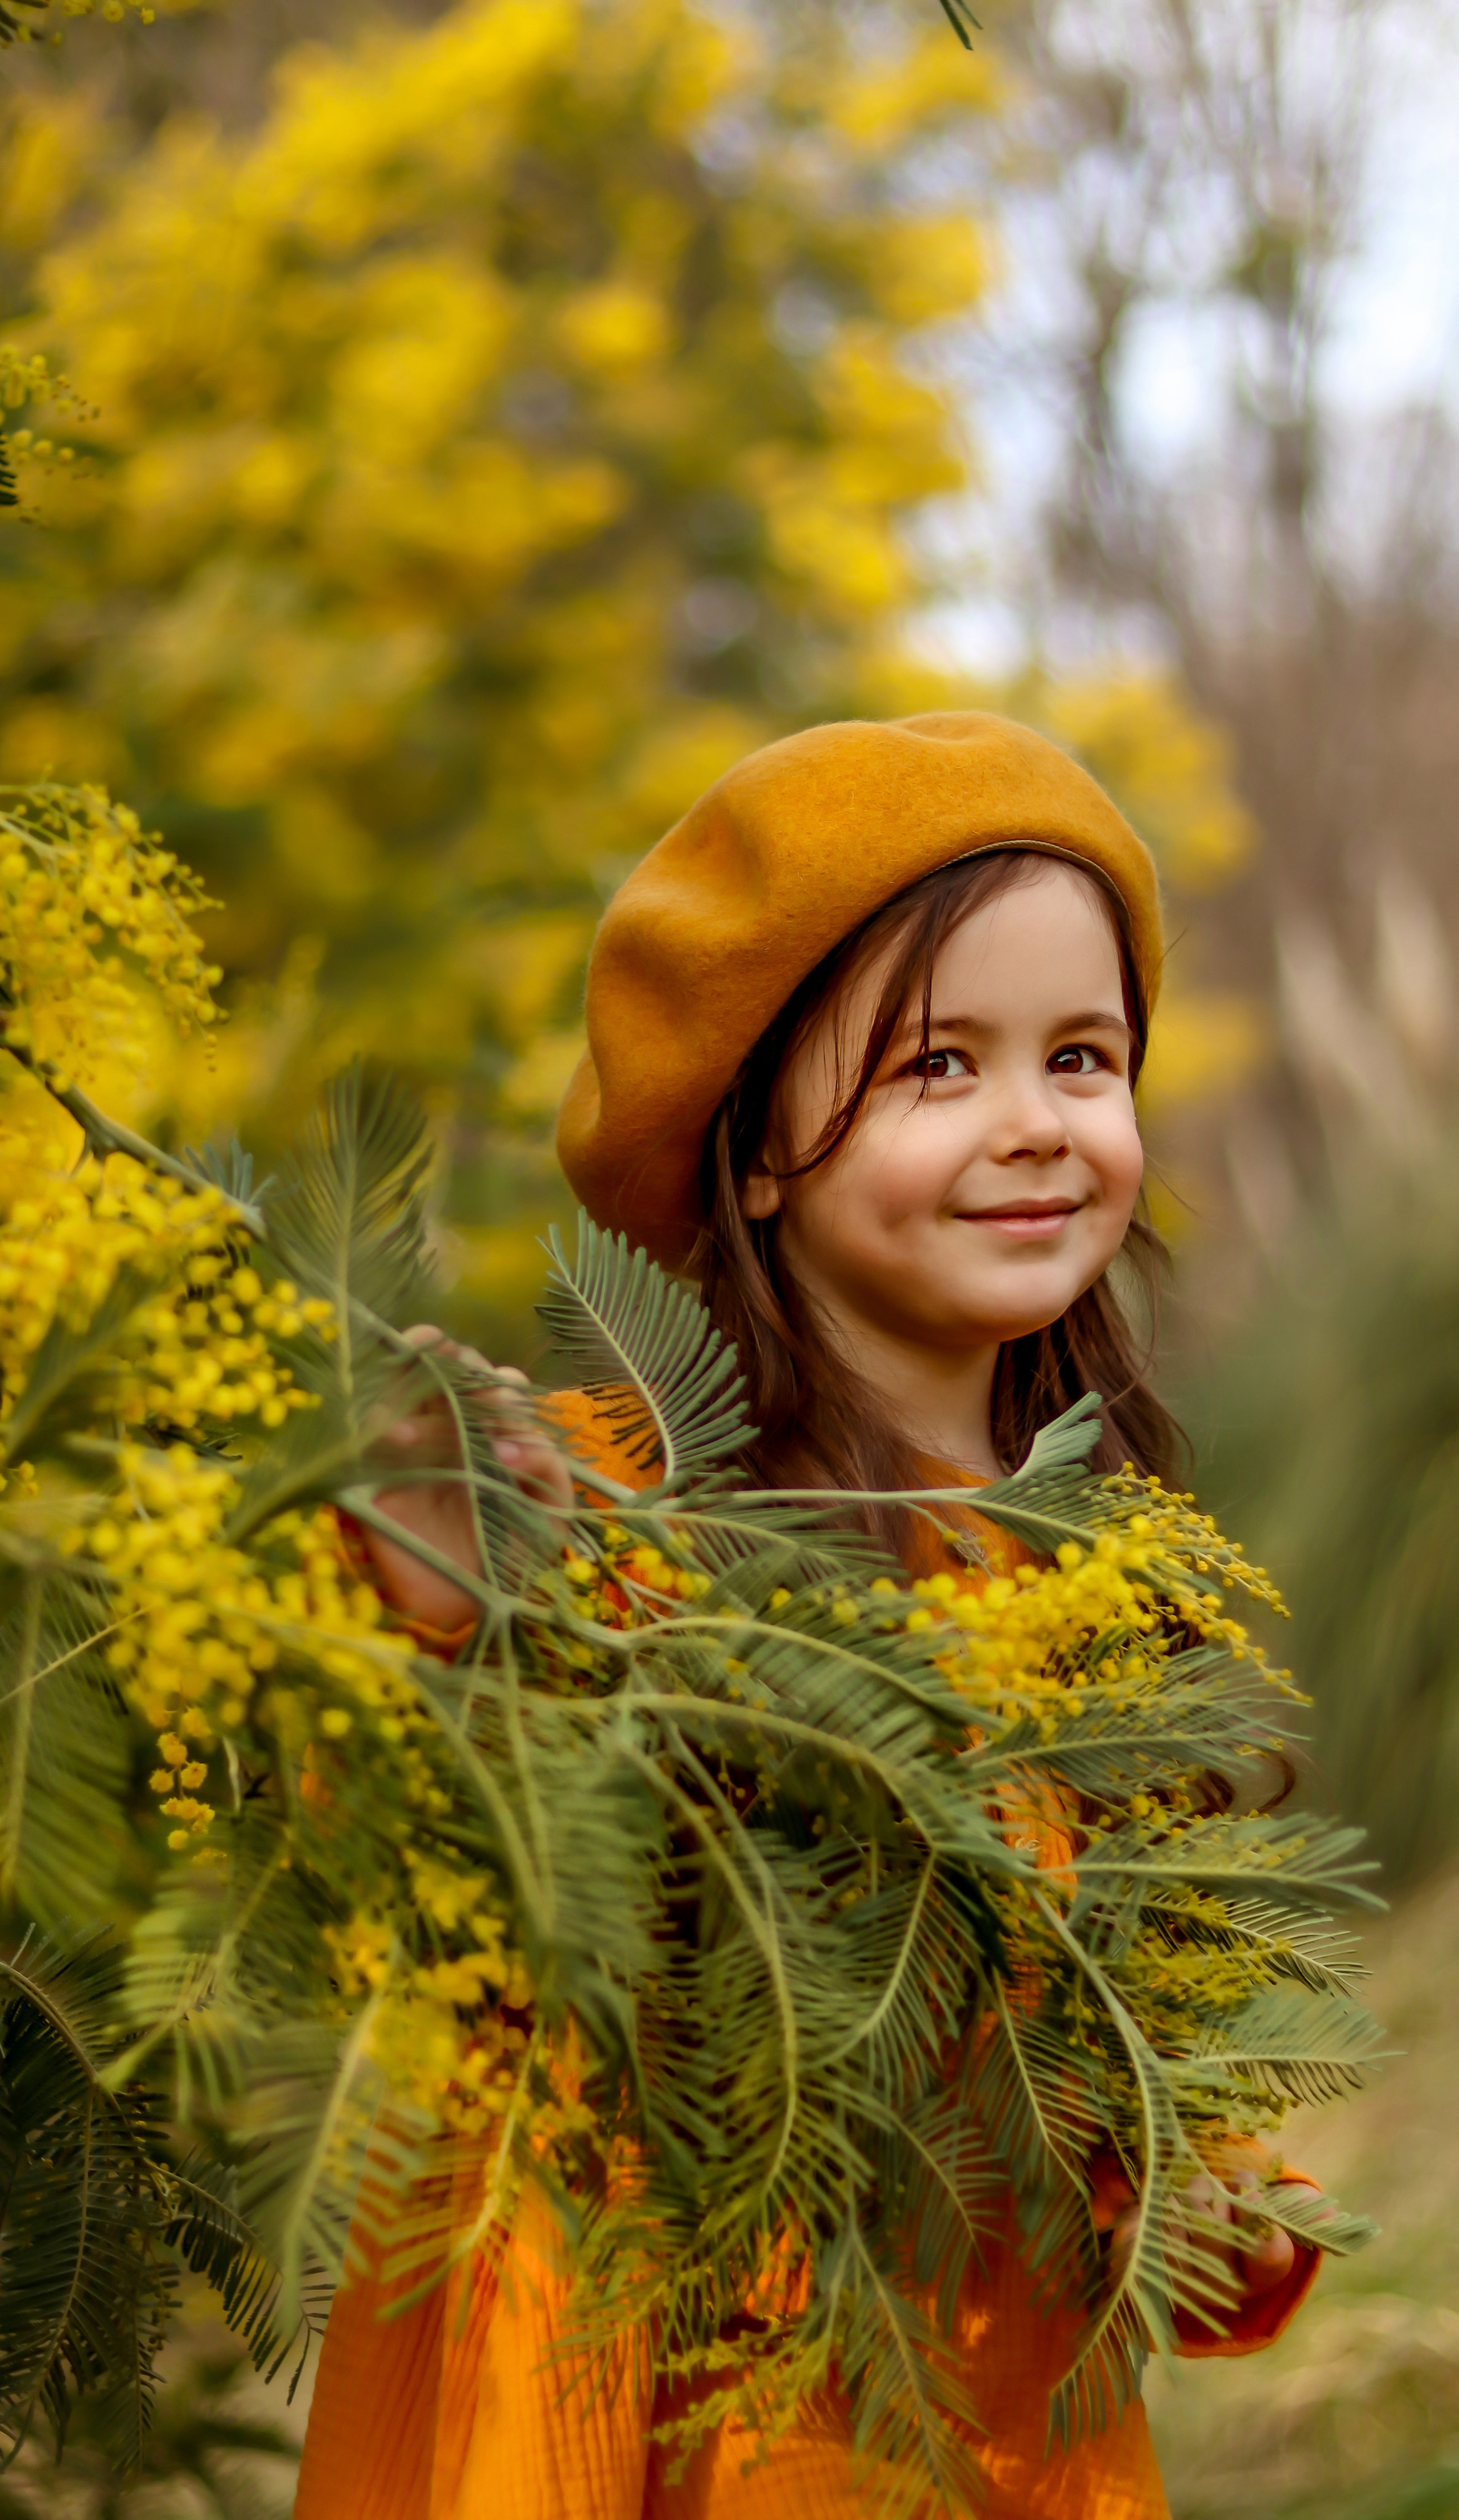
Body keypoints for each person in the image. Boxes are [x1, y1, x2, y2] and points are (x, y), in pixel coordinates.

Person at [293, 714, 1321, 2520]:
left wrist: (1208, 2183)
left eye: (1083, 1057)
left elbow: (1154, 2076)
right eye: (939, 1065)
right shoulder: (617, 1490)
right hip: (654, 2419)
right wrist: (433, 1597)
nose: (1038, 1125)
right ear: (750, 1147)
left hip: (1008, 2442)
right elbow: (401, 1843)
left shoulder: (1110, 1581)